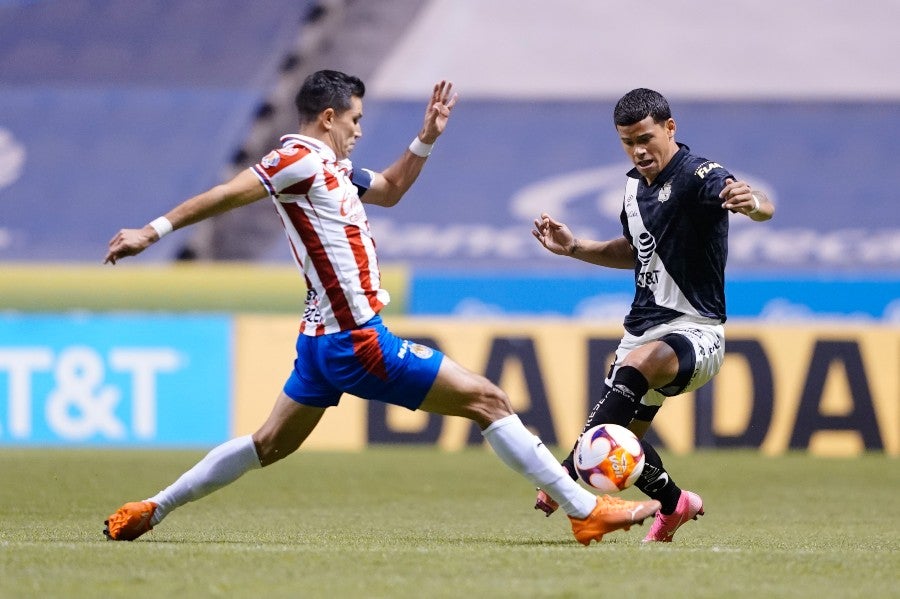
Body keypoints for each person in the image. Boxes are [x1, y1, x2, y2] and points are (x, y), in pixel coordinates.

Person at [101, 70, 661, 546]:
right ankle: (584, 512)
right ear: (327, 117)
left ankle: (154, 507)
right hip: (356, 339)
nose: (359, 130)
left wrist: (425, 139)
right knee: (489, 400)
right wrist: (152, 232)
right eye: (355, 120)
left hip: (319, 343)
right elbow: (228, 193)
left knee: (268, 444)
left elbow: (391, 188)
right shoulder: (296, 158)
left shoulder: (333, 169)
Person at [531, 88, 774, 542]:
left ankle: (565, 472)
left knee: (632, 374)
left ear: (670, 127)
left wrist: (752, 202)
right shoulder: (630, 187)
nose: (639, 150)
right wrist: (576, 248)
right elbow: (640, 251)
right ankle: (675, 503)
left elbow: (760, 203)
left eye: (646, 138)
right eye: (628, 142)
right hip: (642, 329)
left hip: (696, 331)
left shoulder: (699, 174)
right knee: (621, 443)